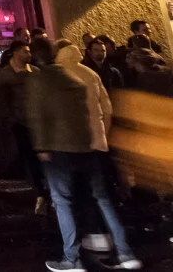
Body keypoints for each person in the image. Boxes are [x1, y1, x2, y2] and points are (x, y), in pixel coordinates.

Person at [28, 39, 141, 271]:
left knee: (63, 202)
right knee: (103, 198)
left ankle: (71, 259)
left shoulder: (40, 79)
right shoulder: (81, 76)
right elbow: (101, 109)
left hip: (59, 149)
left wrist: (41, 147)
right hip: (88, 145)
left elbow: (38, 116)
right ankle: (126, 253)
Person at [0, 40, 47, 215]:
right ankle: (40, 192)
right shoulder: (5, 75)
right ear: (16, 53)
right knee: (30, 157)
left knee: (40, 157)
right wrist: (10, 120)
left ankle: (43, 192)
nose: (29, 54)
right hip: (20, 123)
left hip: (38, 122)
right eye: (25, 51)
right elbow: (1, 100)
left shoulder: (35, 72)